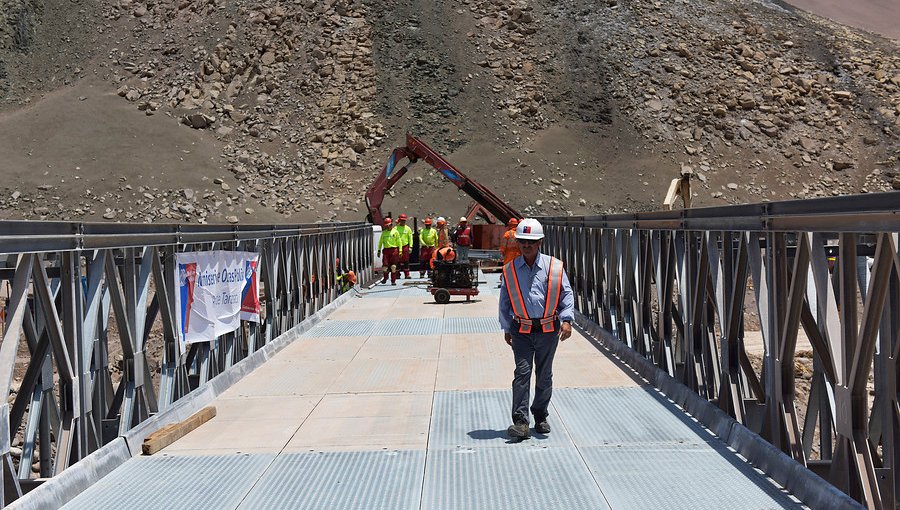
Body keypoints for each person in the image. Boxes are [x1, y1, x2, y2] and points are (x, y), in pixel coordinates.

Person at [498, 218, 574, 439]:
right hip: (520, 330)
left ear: (540, 242)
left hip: (548, 330)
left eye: (531, 241)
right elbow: (504, 301)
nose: (526, 245)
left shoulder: (555, 266)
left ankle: (540, 414)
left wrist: (567, 320)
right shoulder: (510, 269)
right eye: (522, 241)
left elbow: (566, 294)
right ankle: (521, 422)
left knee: (544, 375)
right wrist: (506, 327)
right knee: (522, 373)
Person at [376, 217, 401, 285]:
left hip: (394, 250)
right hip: (386, 251)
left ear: (391, 225)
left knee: (393, 267)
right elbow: (380, 242)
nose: (387, 227)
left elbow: (399, 242)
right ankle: (385, 278)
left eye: (388, 225)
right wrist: (378, 250)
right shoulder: (384, 233)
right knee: (385, 267)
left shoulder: (395, 232)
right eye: (386, 226)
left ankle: (393, 281)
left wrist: (400, 251)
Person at [395, 214, 414, 279]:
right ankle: (397, 274)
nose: (403, 222)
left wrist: (410, 247)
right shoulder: (395, 228)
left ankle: (407, 274)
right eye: (401, 220)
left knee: (406, 261)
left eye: (404, 220)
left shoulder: (408, 229)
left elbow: (410, 238)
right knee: (397, 261)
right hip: (397, 247)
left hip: (405, 246)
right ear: (399, 220)